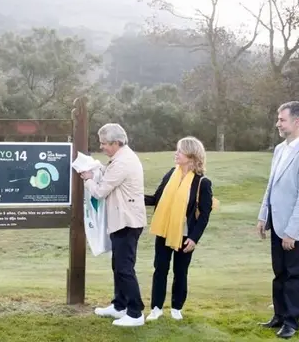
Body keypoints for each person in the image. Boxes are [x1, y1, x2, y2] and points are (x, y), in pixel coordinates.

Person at [256, 101, 299, 339]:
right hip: (278, 224)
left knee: (295, 275)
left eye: (281, 119)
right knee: (280, 273)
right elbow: (271, 186)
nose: (277, 123)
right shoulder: (280, 149)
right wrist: (263, 216)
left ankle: (291, 322)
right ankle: (279, 315)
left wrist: (292, 232)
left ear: (297, 122)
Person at [81, 123, 147, 327]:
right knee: (117, 265)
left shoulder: (122, 162)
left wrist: (87, 179)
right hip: (122, 221)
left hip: (128, 222)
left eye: (104, 144)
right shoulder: (119, 158)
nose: (102, 147)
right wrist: (98, 168)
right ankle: (120, 306)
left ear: (116, 143)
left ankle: (135, 313)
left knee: (124, 268)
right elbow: (108, 172)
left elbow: (100, 191)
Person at [144, 137, 214, 322]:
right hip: (164, 230)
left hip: (185, 235)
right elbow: (156, 199)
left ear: (191, 156)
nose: (176, 154)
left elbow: (204, 214)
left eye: (180, 151)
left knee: (180, 272)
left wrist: (194, 238)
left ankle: (176, 308)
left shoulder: (202, 183)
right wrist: (132, 196)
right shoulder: (170, 174)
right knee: (160, 269)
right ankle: (156, 308)